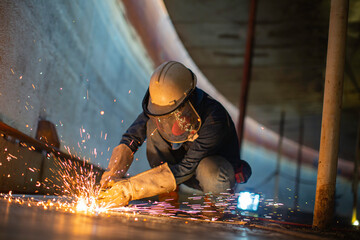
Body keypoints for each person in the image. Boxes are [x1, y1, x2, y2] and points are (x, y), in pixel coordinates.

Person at [98, 61, 251, 207]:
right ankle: (168, 196)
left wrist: (130, 190)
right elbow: (131, 139)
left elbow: (185, 168)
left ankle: (214, 204)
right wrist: (113, 174)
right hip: (179, 167)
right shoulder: (159, 106)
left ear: (187, 101)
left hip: (206, 172)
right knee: (152, 125)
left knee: (212, 171)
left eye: (171, 114)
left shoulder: (214, 119)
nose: (165, 118)